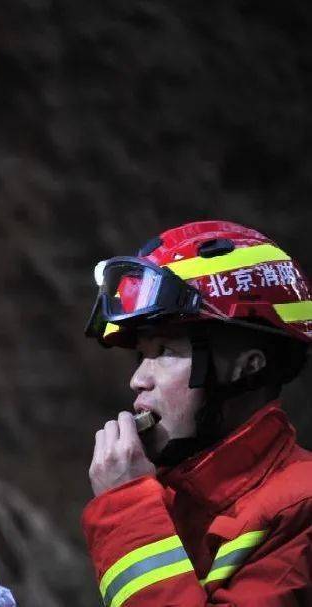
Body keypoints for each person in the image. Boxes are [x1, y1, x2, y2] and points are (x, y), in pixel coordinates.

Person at [82, 220, 312, 606]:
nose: (138, 380)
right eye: (142, 355)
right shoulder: (171, 499)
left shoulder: (300, 509)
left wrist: (126, 510)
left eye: (165, 353)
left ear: (246, 367)